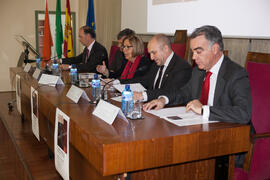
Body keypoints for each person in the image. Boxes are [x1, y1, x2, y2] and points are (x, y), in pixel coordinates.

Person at [143, 25, 252, 169]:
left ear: (215, 49)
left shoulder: (235, 74)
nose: (193, 57)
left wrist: (204, 110)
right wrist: (164, 100)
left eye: (198, 52)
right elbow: (184, 93)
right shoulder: (198, 72)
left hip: (227, 143)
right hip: (200, 135)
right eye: (193, 52)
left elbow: (243, 113)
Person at [121, 34, 192, 102]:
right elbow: (145, 80)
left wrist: (143, 95)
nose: (151, 58)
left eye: (154, 53)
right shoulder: (156, 63)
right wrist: (119, 82)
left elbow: (170, 91)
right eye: (150, 54)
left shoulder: (182, 67)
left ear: (165, 48)